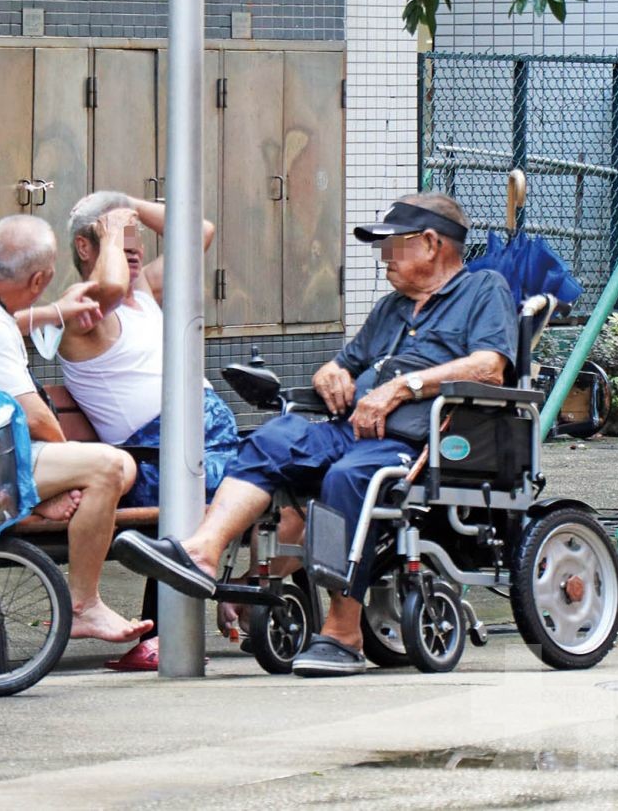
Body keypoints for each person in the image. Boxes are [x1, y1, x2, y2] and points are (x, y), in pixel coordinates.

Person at [111, 193, 516, 677]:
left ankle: (344, 632)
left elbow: (490, 366)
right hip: (352, 429)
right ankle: (202, 553)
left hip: (422, 441)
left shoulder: (483, 289)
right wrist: (330, 373)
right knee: (272, 440)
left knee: (347, 478)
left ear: (432, 244)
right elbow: (345, 363)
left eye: (393, 246)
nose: (384, 258)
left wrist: (401, 387)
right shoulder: (391, 309)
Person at [0, 214, 154, 643]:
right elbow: (35, 417)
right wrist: (67, 472)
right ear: (39, 278)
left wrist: (55, 312)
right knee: (110, 467)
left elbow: (3, 324)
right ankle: (83, 606)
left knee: (109, 467)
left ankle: (39, 507)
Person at [56, 191, 235, 670]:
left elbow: (200, 231)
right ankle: (205, 609)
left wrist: (124, 204)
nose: (134, 250)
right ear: (85, 247)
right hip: (155, 460)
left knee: (282, 475)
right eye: (120, 242)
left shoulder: (146, 297)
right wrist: (113, 226)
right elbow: (110, 285)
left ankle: (238, 592)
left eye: (138, 242)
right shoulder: (83, 312)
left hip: (201, 443)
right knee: (252, 485)